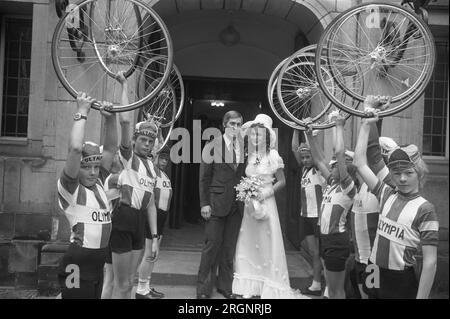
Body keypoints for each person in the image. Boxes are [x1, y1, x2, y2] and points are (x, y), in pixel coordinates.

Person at [353, 95, 439, 299]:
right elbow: (359, 162)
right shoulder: (385, 193)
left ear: (420, 173)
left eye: (408, 173)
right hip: (373, 268)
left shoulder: (425, 209)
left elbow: (430, 262)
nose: (402, 179)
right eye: (397, 173)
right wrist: (366, 123)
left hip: (400, 279)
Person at [232, 114, 308, 299]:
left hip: (267, 202)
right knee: (249, 241)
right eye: (253, 135)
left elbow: (282, 181)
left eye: (259, 135)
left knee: (266, 243)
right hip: (251, 206)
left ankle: (269, 286)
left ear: (266, 137)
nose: (255, 138)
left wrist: (264, 193)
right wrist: (247, 192)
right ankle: (249, 286)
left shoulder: (273, 155)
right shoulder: (250, 156)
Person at [57, 92, 118, 299]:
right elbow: (75, 149)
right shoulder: (71, 188)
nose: (93, 172)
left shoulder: (99, 183)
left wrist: (111, 118)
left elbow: (110, 148)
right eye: (86, 167)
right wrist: (81, 112)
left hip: (96, 267)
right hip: (76, 267)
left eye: (95, 166)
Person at [110, 74, 159, 299]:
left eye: (150, 141)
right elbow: (126, 121)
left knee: (130, 282)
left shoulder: (153, 167)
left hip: (140, 222)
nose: (146, 144)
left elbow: (150, 205)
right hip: (123, 216)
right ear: (135, 140)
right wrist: (125, 85)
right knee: (120, 283)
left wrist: (155, 237)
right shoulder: (129, 157)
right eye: (142, 140)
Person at [305, 113, 358, 299]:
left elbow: (339, 154)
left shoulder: (348, 188)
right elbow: (319, 160)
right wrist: (309, 135)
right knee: (330, 287)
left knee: (337, 290)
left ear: (346, 168)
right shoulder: (331, 183)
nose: (331, 166)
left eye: (335, 165)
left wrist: (339, 127)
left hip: (337, 241)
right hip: (325, 238)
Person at [197, 110, 245, 299]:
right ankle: (203, 290)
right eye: (232, 124)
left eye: (239, 124)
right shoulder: (211, 146)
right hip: (216, 203)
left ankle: (226, 287)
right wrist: (204, 203)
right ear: (224, 125)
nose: (236, 127)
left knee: (229, 248)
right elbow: (204, 178)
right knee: (212, 246)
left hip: (237, 205)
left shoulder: (243, 146)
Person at [292, 129, 326, 296]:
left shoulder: (319, 169)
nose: (305, 160)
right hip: (305, 215)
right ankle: (317, 283)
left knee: (323, 253)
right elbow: (294, 149)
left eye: (308, 157)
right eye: (303, 157)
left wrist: (310, 136)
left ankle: (324, 284)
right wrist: (294, 127)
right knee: (314, 252)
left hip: (318, 216)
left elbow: (317, 153)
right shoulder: (304, 169)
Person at [136, 145, 173, 299]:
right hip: (152, 215)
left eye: (166, 159)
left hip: (162, 216)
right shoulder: (150, 172)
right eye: (161, 158)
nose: (164, 161)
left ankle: (146, 286)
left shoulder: (165, 175)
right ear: (155, 156)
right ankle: (141, 289)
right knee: (149, 253)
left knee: (154, 254)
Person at [101, 150, 123, 299]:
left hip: (111, 230)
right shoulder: (116, 178)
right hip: (115, 231)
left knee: (110, 279)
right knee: (112, 280)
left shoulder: (112, 177)